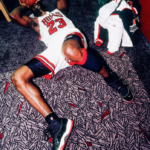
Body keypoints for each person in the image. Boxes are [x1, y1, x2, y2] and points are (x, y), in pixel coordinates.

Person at [10, 0, 134, 149]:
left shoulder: (59, 11)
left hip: (71, 39)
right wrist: (27, 3)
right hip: (54, 51)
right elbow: (14, 15)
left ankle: (112, 79)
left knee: (69, 50)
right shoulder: (35, 23)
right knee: (18, 78)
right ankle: (56, 124)